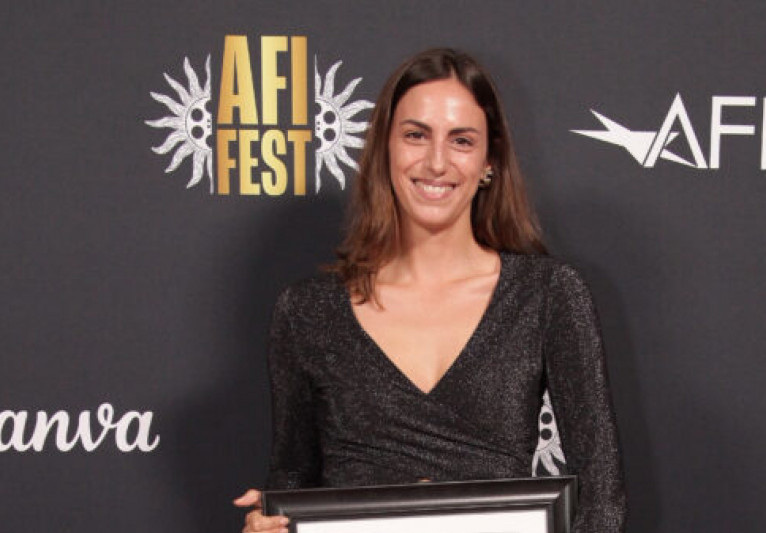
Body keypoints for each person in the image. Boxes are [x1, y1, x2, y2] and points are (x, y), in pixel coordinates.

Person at [234, 48, 626, 532]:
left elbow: (603, 499)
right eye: (416, 135)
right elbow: (292, 477)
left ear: (489, 160)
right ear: (385, 148)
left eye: (461, 140)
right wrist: (271, 523)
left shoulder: (547, 294)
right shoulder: (307, 311)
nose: (437, 162)